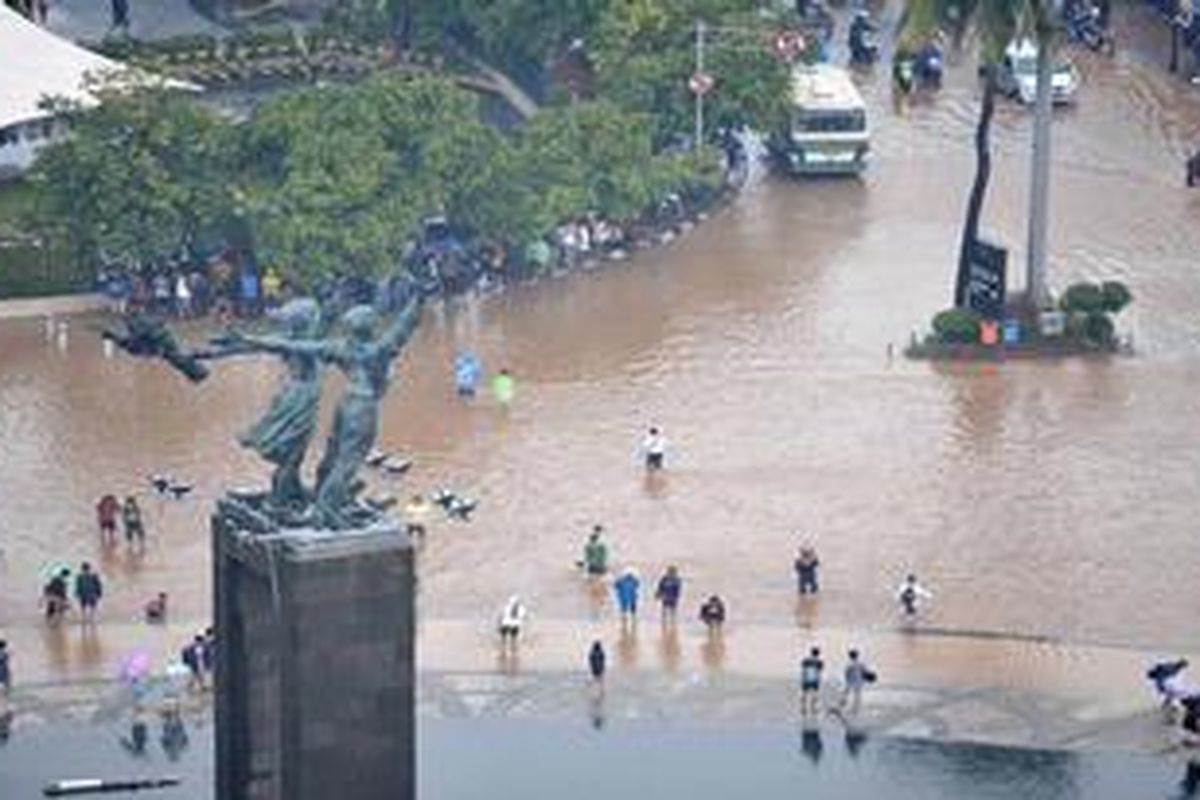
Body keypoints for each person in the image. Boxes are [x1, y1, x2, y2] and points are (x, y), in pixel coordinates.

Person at [837, 649, 876, 717]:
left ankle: (841, 705)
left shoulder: (849, 664)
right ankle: (855, 710)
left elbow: (846, 674)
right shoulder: (861, 664)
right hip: (859, 682)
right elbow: (865, 672)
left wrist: (847, 680)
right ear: (857, 656)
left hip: (850, 681)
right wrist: (869, 677)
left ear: (850, 656)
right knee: (857, 696)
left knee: (845, 694)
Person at [800, 646, 824, 715]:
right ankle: (813, 708)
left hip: (806, 679)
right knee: (814, 695)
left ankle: (803, 708)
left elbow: (803, 670)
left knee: (804, 694)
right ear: (818, 654)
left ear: (811, 653)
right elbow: (819, 672)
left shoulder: (806, 660)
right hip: (815, 680)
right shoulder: (819, 662)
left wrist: (803, 678)